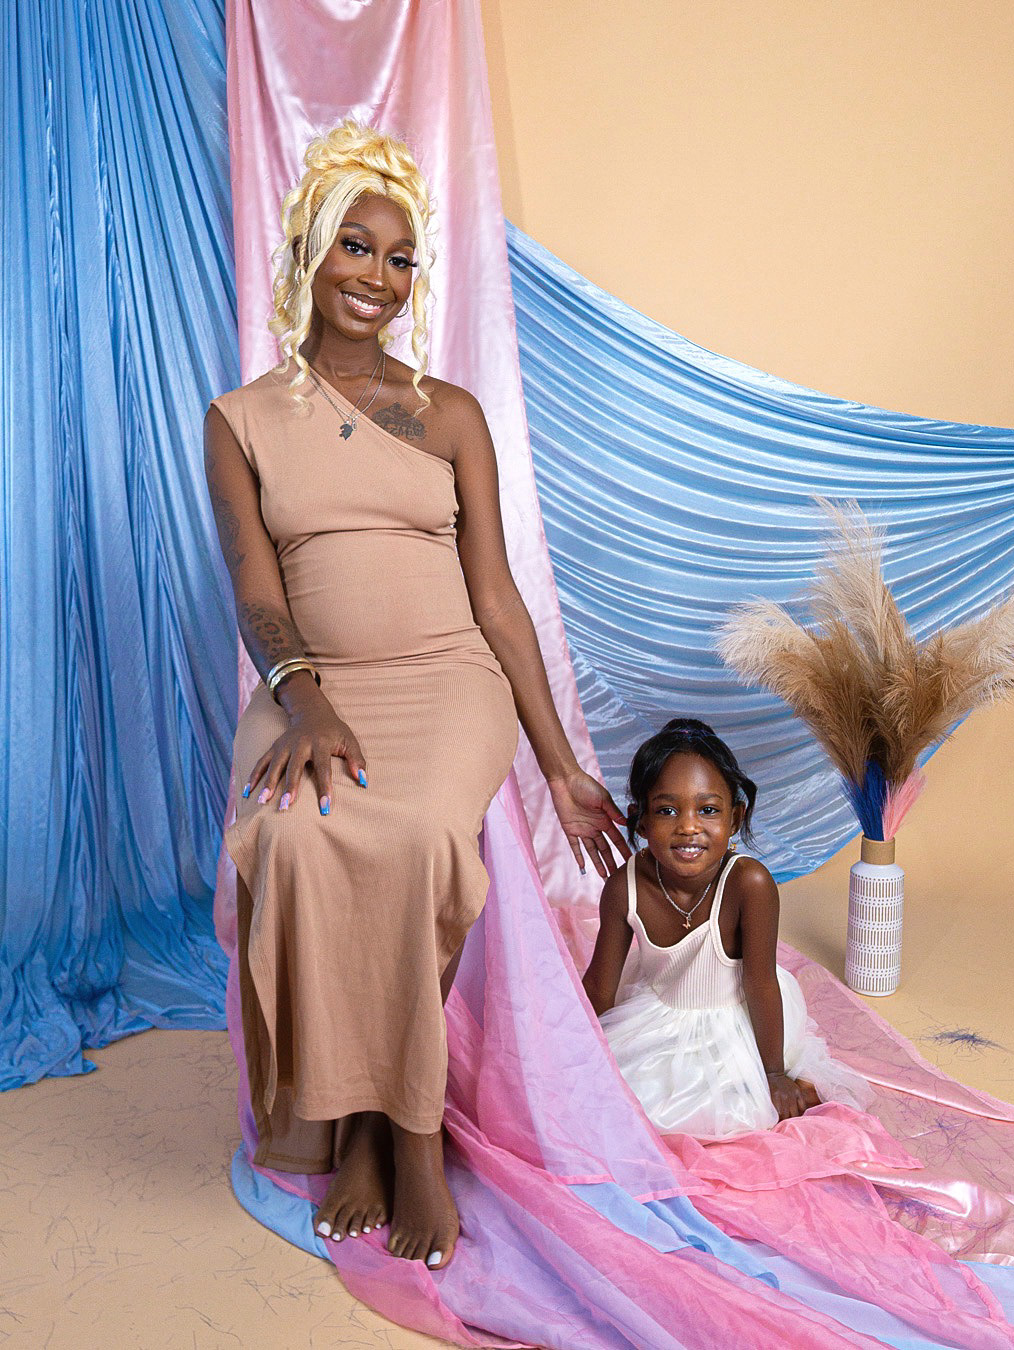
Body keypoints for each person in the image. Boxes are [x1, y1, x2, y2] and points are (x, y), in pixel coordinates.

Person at [204, 121, 628, 1271]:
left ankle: (411, 1135)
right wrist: (306, 702)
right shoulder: (241, 420)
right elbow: (256, 590)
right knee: (291, 837)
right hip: (313, 687)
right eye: (356, 245)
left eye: (400, 258)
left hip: (447, 680)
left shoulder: (447, 414)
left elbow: (495, 598)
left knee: (421, 837)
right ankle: (349, 1127)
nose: (378, 277)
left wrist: (559, 766)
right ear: (309, 248)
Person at [582, 718, 872, 1138]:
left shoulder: (749, 883)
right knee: (620, 1100)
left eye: (708, 810)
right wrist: (576, 1055)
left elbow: (760, 984)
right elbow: (598, 987)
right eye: (666, 810)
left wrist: (773, 1074)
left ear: (735, 818)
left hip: (742, 1016)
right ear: (639, 820)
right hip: (660, 1013)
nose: (688, 826)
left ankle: (783, 1080)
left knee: (735, 1109)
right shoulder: (624, 887)